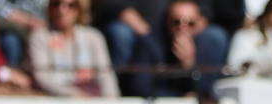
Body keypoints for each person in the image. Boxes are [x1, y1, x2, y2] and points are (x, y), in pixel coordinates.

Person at [97, 0, 230, 95]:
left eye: (190, 23)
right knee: (120, 33)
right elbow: (141, 87)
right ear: (167, 21)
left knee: (216, 36)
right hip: (143, 30)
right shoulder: (150, 44)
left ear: (199, 23)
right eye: (176, 22)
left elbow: (202, 88)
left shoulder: (203, 43)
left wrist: (189, 65)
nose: (182, 29)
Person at [26, 0, 120, 95]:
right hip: (55, 98)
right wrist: (75, 95)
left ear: (79, 10)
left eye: (71, 5)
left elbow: (106, 76)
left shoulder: (93, 37)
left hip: (92, 98)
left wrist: (111, 102)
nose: (62, 10)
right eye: (56, 4)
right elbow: (42, 78)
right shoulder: (40, 37)